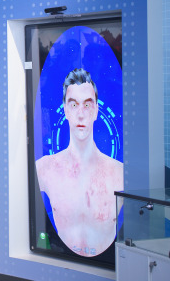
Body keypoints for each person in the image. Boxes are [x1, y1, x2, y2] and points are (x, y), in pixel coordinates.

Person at [35, 68, 123, 257]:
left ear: (96, 110)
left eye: (87, 105)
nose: (81, 114)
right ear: (65, 109)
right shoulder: (44, 169)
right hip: (60, 261)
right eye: (74, 105)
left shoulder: (119, 174)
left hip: (109, 265)